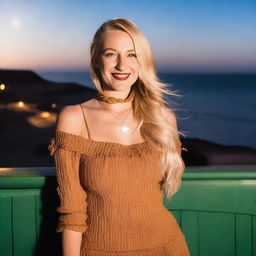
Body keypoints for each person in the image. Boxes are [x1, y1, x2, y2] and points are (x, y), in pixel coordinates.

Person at [48, 18, 190, 256]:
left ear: (141, 61)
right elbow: (71, 212)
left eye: (132, 55)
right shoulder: (74, 118)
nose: (122, 65)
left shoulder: (164, 119)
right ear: (96, 60)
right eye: (111, 54)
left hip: (166, 247)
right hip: (99, 250)